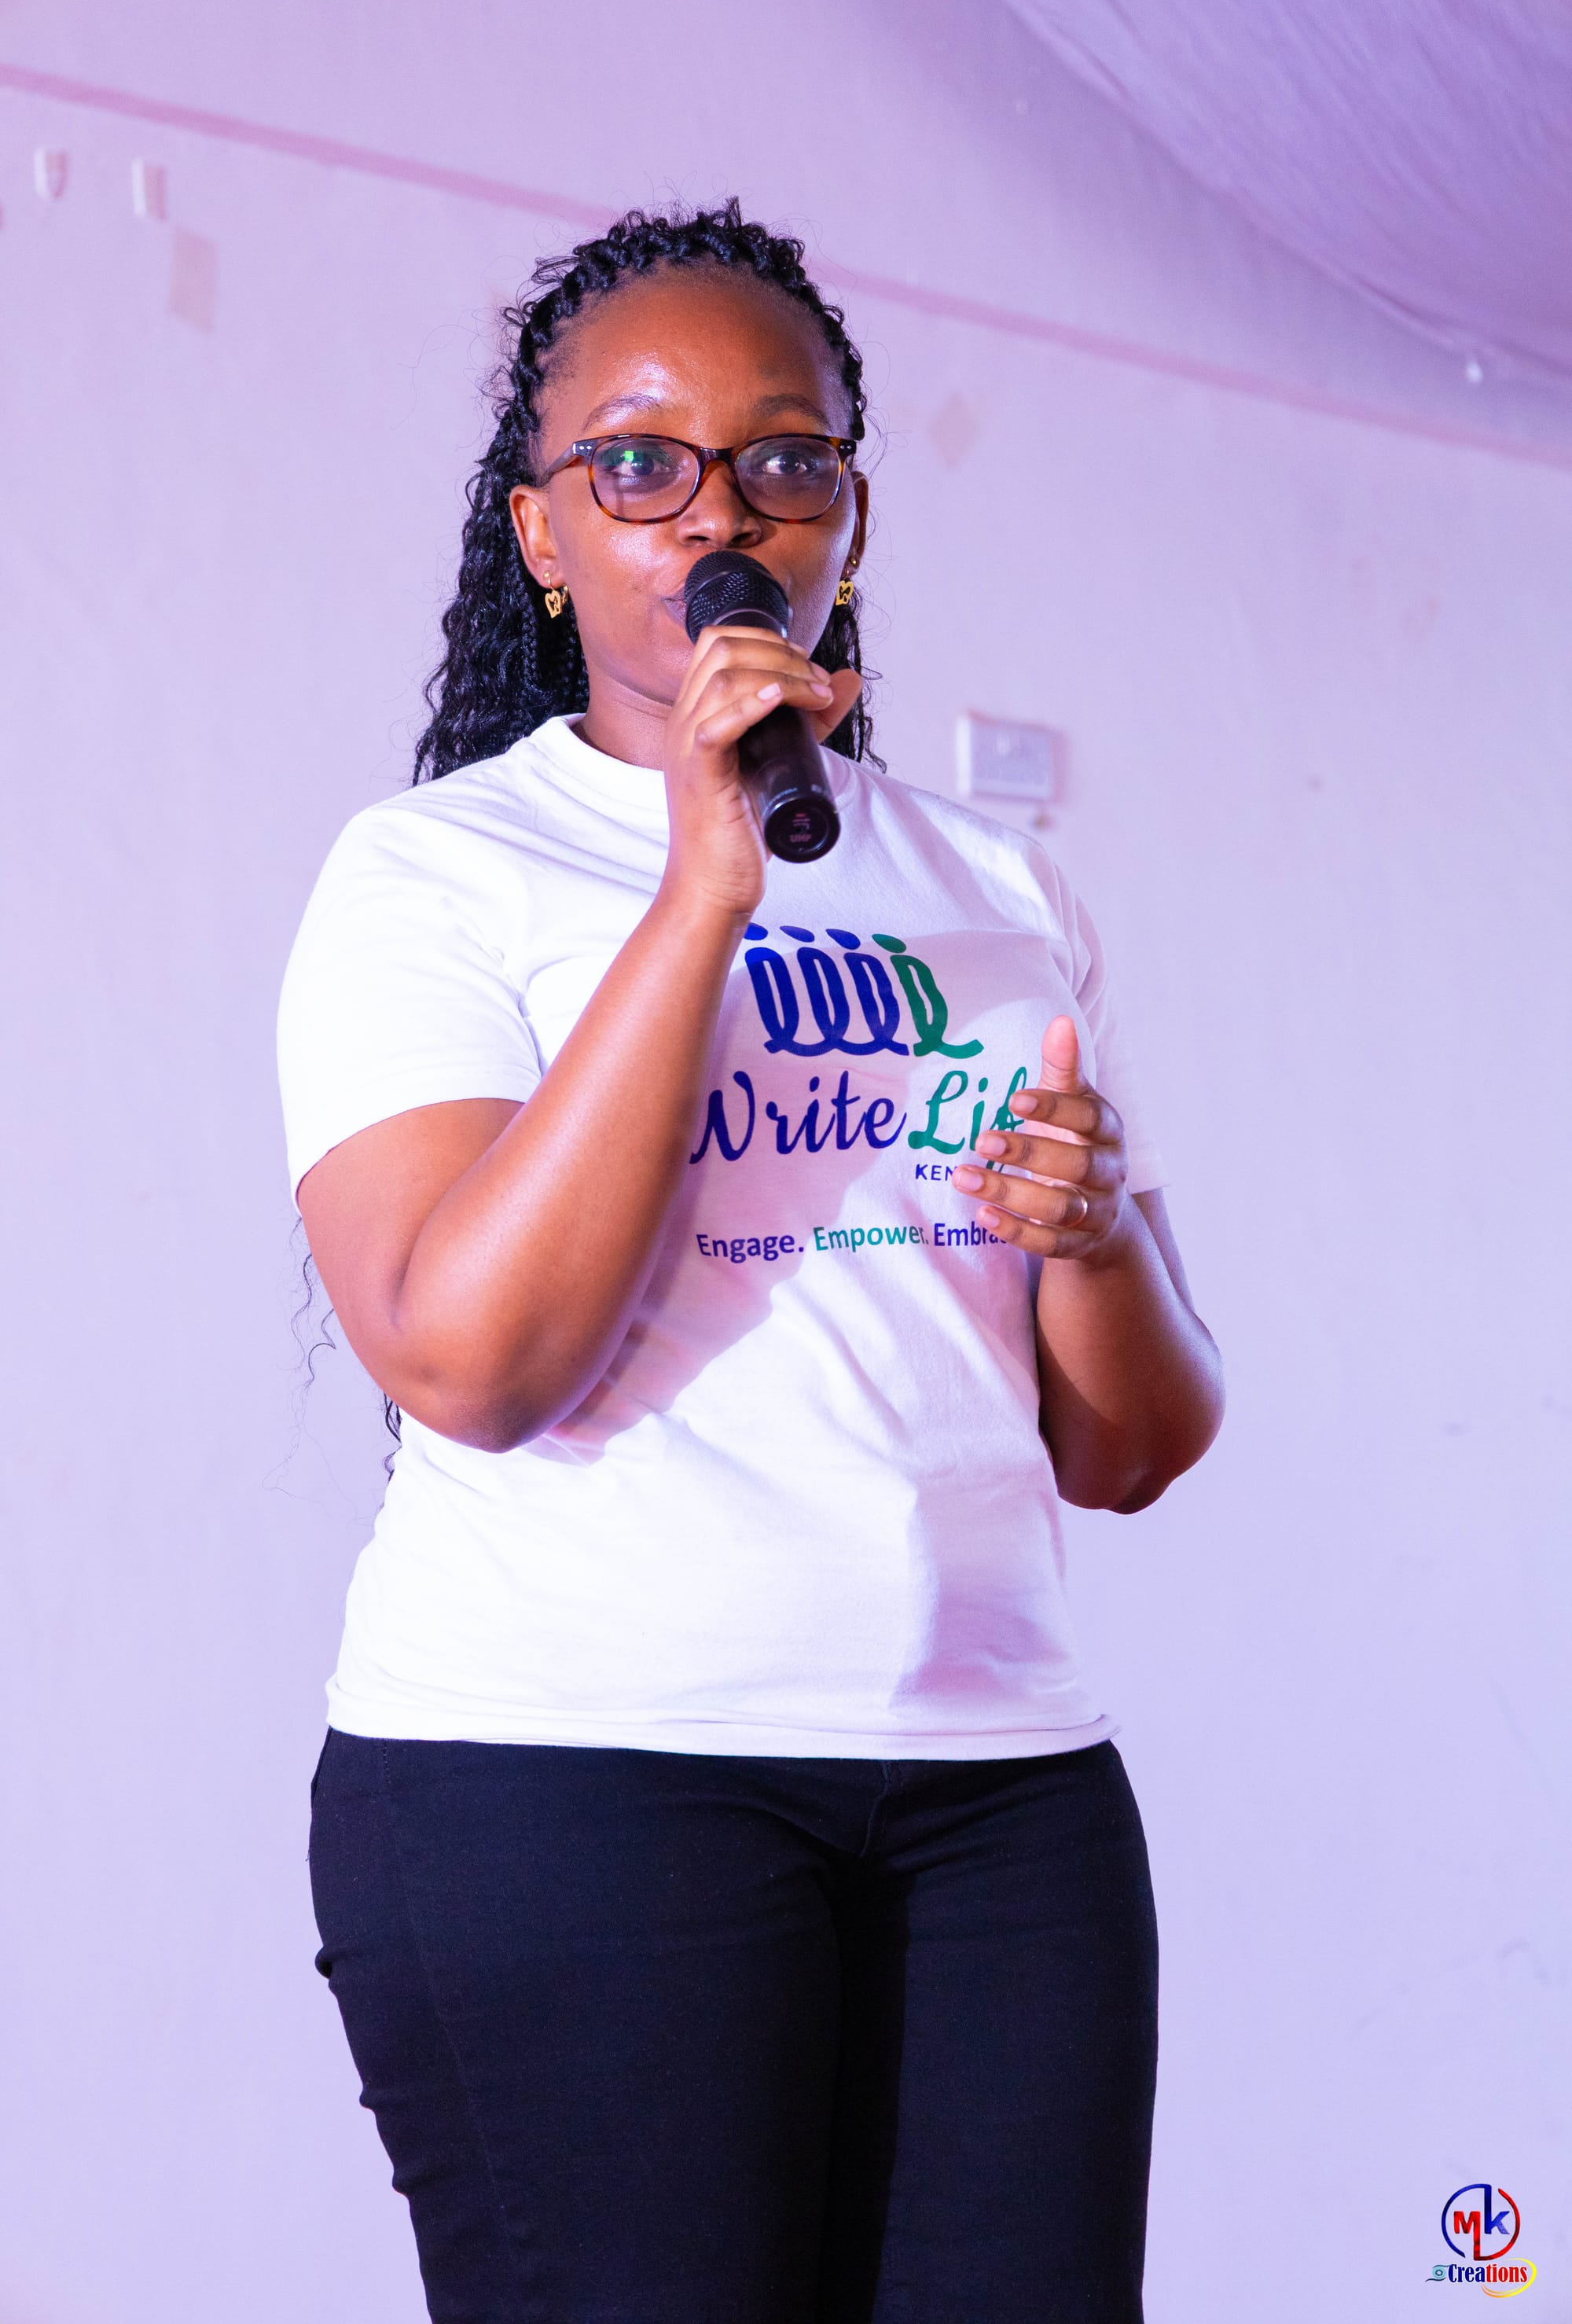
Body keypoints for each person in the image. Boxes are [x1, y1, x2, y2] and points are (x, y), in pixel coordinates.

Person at [278, 200, 1224, 2324]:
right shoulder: (437, 876)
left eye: (784, 458)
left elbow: (1136, 1445)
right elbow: (471, 1358)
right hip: (572, 1783)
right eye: (641, 463)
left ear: (847, 521)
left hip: (1000, 1798)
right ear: (544, 534)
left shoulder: (996, 888)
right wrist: (703, 886)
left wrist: (1084, 1243)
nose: (718, 510)